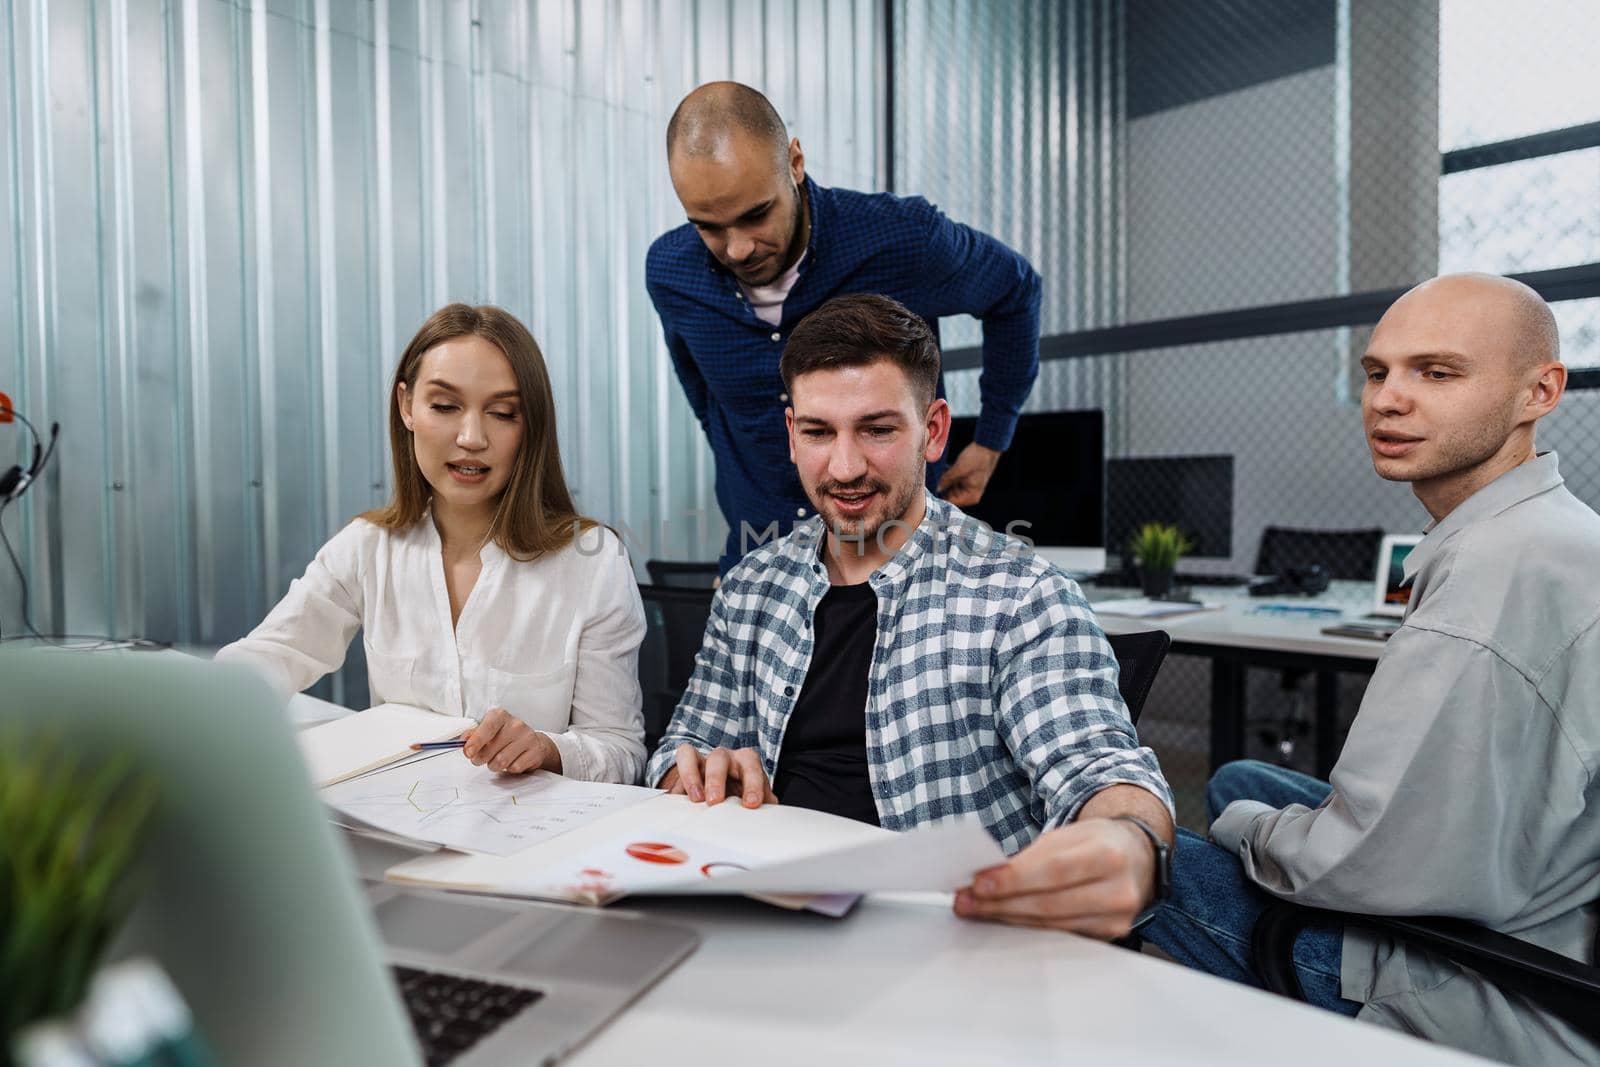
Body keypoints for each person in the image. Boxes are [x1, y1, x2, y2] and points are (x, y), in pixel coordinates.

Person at [1140, 273, 1600, 1065]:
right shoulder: (1550, 530)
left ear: (1540, 391)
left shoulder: (1496, 576)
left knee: (1135, 848)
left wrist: (1244, 830)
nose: (1388, 399)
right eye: (1378, 371)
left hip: (1481, 978)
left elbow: (1365, 865)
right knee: (1242, 773)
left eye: (1437, 372)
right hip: (1539, 885)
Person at [645, 293, 1174, 940]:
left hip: (952, 940)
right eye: (818, 432)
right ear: (791, 434)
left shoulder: (1018, 592)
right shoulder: (752, 587)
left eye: (877, 429)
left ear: (934, 430)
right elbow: (680, 747)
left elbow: (1099, 769)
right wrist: (693, 770)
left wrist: (1130, 840)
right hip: (769, 921)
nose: (845, 467)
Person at [217, 304, 647, 784]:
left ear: (531, 426)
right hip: (398, 827)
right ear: (407, 406)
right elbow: (269, 658)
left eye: (503, 414)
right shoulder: (367, 547)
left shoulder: (591, 560)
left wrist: (548, 749)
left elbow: (622, 750)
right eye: (444, 407)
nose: (471, 438)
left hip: (529, 840)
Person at [646, 81, 1042, 571]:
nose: (738, 248)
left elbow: (1016, 290)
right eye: (707, 225)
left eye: (756, 215)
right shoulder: (670, 274)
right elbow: (710, 403)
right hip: (759, 563)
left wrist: (990, 441)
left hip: (903, 565)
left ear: (794, 163)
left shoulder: (901, 239)